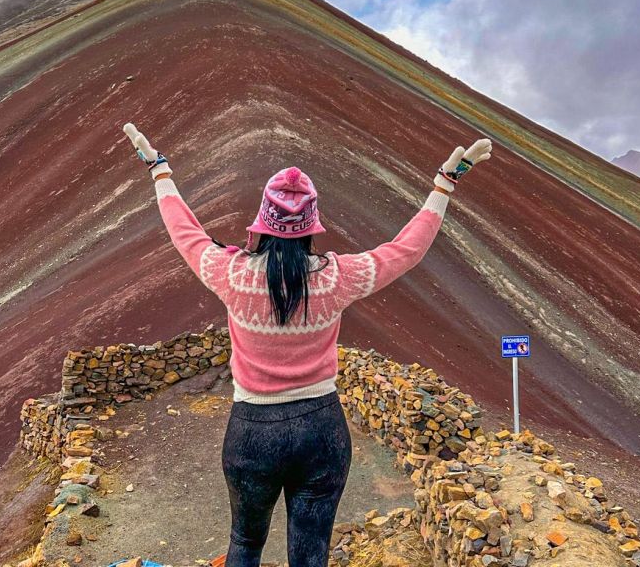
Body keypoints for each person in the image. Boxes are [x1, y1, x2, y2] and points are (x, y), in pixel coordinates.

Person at [123, 123, 492, 567]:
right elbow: (405, 249)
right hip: (322, 429)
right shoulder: (338, 277)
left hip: (251, 431)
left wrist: (158, 169)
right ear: (311, 225)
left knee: (244, 544)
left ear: (264, 222)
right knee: (311, 553)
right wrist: (444, 184)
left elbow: (184, 231)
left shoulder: (231, 273)